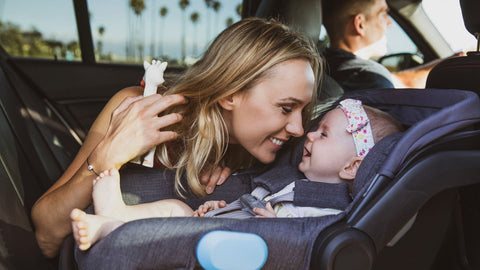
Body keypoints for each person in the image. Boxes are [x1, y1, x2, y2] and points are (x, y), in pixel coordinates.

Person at [31, 17, 321, 258]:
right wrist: (106, 158)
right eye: (285, 108)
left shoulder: (296, 156)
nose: (298, 128)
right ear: (231, 93)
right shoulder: (140, 108)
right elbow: (47, 234)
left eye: (303, 110)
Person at [69, 98, 403, 251]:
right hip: (225, 224)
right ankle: (117, 216)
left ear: (351, 167)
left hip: (232, 249)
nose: (308, 134)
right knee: (176, 208)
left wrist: (279, 230)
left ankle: (111, 228)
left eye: (324, 134)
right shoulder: (291, 183)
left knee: (171, 228)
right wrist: (221, 207)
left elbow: (307, 244)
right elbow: (252, 202)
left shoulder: (330, 212)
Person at [322, 0, 458, 91]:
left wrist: (452, 62)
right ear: (360, 25)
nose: (389, 23)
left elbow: (400, 82)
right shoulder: (367, 77)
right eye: (382, 14)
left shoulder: (325, 66)